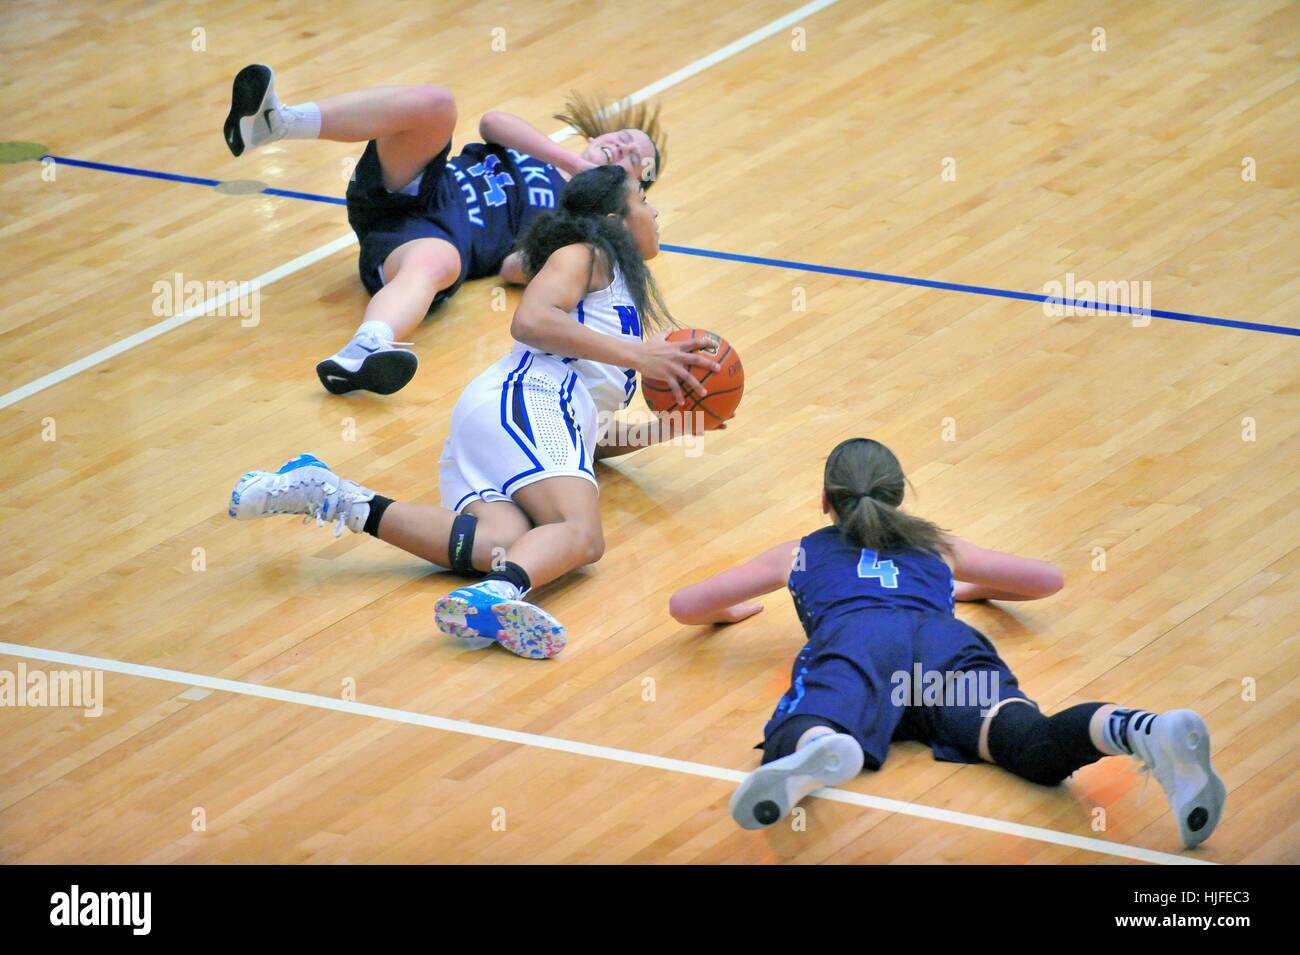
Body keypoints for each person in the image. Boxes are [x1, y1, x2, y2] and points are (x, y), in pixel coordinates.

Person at [229, 165, 720, 659]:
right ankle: (494, 598)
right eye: (644, 199)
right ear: (616, 217)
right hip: (528, 398)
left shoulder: (621, 300)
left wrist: (676, 425)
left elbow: (586, 445)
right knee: (581, 535)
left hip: (520, 417)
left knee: (499, 544)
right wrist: (640, 356)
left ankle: (333, 496)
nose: (655, 211)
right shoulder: (585, 256)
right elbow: (529, 322)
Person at [669, 437, 1226, 848]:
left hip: (860, 640)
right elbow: (1046, 579)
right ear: (898, 497)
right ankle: (1141, 729)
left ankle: (820, 745)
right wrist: (965, 590)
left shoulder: (795, 552)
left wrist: (729, 611)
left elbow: (685, 606)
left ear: (825, 500)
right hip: (942, 641)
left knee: (804, 717)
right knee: (1030, 743)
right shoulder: (936, 547)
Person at [224, 65, 666, 395]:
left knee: (439, 262)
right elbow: (493, 122)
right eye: (623, 137)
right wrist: (570, 163)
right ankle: (276, 122)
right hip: (419, 184)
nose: (622, 145)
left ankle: (364, 349)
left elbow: (513, 268)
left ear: (630, 186)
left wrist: (564, 248)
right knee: (437, 103)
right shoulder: (546, 152)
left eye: (632, 157)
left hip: (433, 239)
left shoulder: (575, 221)